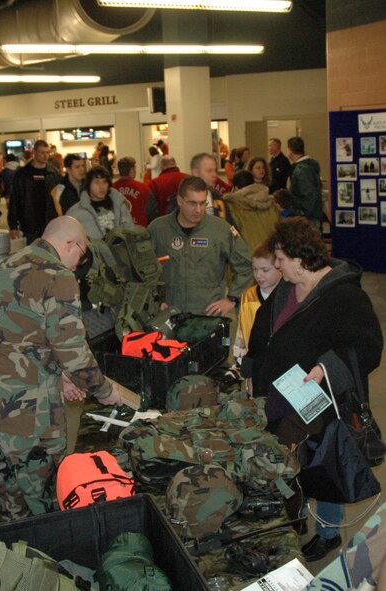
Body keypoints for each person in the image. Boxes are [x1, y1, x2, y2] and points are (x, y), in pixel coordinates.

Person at [242, 217, 383, 562]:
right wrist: (249, 369)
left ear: (300, 258)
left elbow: (369, 348)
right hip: (278, 394)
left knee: (323, 464)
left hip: (319, 402)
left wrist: (325, 368)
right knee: (290, 460)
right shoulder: (287, 289)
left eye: (280, 259)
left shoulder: (345, 296)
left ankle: (329, 532)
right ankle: (296, 514)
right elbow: (264, 331)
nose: (276, 266)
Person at [0, 216, 123, 521]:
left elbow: (20, 338)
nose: (74, 266)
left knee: (11, 501)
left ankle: (15, 561)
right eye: (78, 257)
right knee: (48, 510)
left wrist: (59, 373)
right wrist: (106, 391)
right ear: (71, 244)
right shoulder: (58, 276)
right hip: (30, 417)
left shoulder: (3, 268)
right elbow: (76, 356)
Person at [148, 175, 253, 315]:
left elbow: (247, 265)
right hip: (169, 316)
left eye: (203, 203)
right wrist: (155, 301)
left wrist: (232, 298)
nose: (198, 210)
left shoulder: (220, 230)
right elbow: (142, 270)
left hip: (207, 317)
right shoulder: (158, 229)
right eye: (192, 203)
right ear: (179, 200)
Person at [225, 239, 281, 384]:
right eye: (254, 269)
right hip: (254, 365)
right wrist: (240, 366)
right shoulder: (247, 296)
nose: (258, 275)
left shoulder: (289, 294)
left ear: (279, 267)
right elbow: (241, 335)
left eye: (265, 270)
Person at [8, 139, 60, 244]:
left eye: (47, 152)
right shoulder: (22, 175)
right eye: (42, 153)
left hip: (51, 224)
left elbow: (60, 198)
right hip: (30, 224)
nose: (45, 156)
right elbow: (15, 200)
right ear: (34, 152)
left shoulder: (54, 174)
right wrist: (13, 225)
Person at [67, 165, 134, 240]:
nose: (101, 186)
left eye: (104, 182)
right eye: (96, 182)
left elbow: (131, 230)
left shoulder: (119, 205)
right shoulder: (76, 213)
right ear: (88, 185)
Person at [224, 169, 279, 252]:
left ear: (236, 188)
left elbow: (232, 234)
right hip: (272, 255)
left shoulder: (232, 206)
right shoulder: (271, 204)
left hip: (247, 257)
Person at [287, 136, 323, 228]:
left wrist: (301, 214)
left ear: (290, 150)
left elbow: (309, 195)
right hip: (311, 216)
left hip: (306, 218)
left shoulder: (302, 170)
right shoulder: (310, 165)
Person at [113, 156, 157, 226]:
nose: (136, 171)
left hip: (118, 231)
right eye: (135, 168)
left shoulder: (112, 189)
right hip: (139, 231)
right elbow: (152, 213)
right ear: (131, 171)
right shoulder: (144, 189)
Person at [48, 153, 86, 217]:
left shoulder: (89, 186)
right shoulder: (59, 190)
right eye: (77, 167)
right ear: (68, 170)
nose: (81, 169)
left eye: (82, 166)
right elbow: (53, 215)